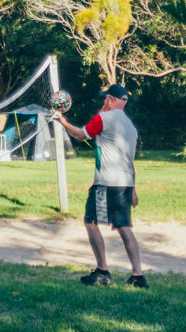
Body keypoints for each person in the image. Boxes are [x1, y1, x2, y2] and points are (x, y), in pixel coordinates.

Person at [56, 83, 147, 288]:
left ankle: (102, 271)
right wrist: (133, 189)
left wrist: (62, 121)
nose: (104, 101)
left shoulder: (104, 118)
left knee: (91, 222)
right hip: (124, 184)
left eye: (106, 98)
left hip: (106, 183)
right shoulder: (130, 127)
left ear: (111, 100)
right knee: (124, 227)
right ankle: (138, 275)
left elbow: (80, 134)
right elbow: (130, 162)